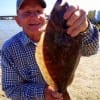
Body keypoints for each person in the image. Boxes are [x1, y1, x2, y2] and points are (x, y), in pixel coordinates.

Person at [1, 0, 99, 100]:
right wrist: (43, 92)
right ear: (17, 21)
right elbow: (11, 89)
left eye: (39, 11)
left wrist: (85, 28)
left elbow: (92, 50)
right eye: (27, 12)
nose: (35, 17)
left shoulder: (71, 31)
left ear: (46, 16)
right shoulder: (9, 49)